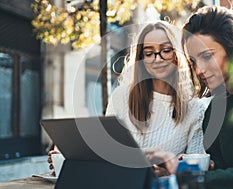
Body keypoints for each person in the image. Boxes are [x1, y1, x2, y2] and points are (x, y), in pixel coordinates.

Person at [146, 5, 233, 188]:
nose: (199, 70)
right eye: (194, 61)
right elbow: (225, 170)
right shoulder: (213, 112)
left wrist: (200, 179)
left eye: (207, 56)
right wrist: (190, 168)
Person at [48, 21, 209, 176]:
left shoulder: (195, 109)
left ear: (177, 55)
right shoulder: (121, 97)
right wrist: (70, 161)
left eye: (166, 50)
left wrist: (172, 172)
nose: (157, 58)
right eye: (148, 53)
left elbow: (196, 169)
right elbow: (107, 154)